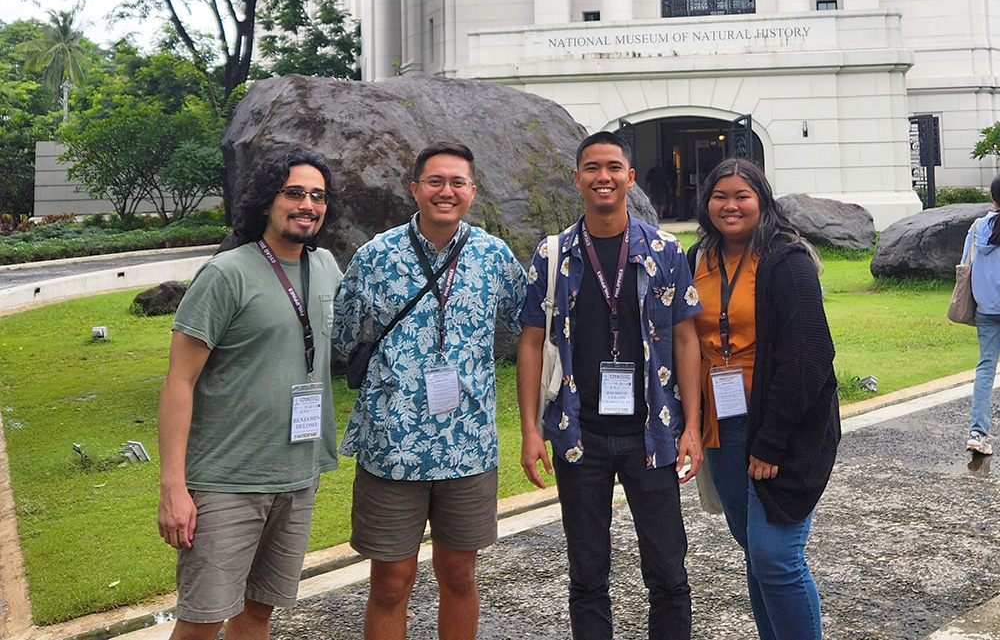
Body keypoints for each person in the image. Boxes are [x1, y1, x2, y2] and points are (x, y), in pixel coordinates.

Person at [331, 141, 527, 640]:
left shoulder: (493, 256)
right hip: (393, 447)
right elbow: (344, 334)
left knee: (459, 576)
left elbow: (528, 325)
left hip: (468, 446)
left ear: (472, 191)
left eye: (457, 182)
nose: (446, 191)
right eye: (435, 182)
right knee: (391, 583)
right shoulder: (376, 256)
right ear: (414, 188)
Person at [517, 130, 703, 640]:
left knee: (668, 571)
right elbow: (532, 343)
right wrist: (531, 430)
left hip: (655, 432)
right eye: (592, 168)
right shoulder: (553, 255)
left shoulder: (665, 249)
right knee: (587, 572)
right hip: (581, 436)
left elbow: (687, 339)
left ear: (630, 177)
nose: (604, 178)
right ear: (577, 178)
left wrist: (695, 427)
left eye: (613, 168)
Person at [157, 147, 343, 640]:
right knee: (202, 620)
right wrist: (174, 487)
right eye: (295, 193)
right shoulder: (226, 274)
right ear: (267, 201)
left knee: (259, 612)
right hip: (227, 480)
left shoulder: (326, 266)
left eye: (318, 195)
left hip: (299, 474)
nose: (308, 204)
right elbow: (179, 381)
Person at [688, 157, 840, 640]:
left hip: (784, 426)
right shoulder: (701, 258)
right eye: (720, 196)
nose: (730, 206)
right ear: (706, 202)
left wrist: (771, 441)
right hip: (724, 423)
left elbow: (808, 358)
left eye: (742, 196)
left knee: (776, 556)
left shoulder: (785, 259)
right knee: (753, 549)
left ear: (762, 200)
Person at [962, 176, 1000, 456]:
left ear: (991, 197)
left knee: (985, 369)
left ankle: (977, 432)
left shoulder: (977, 227)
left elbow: (966, 265)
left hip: (986, 309)